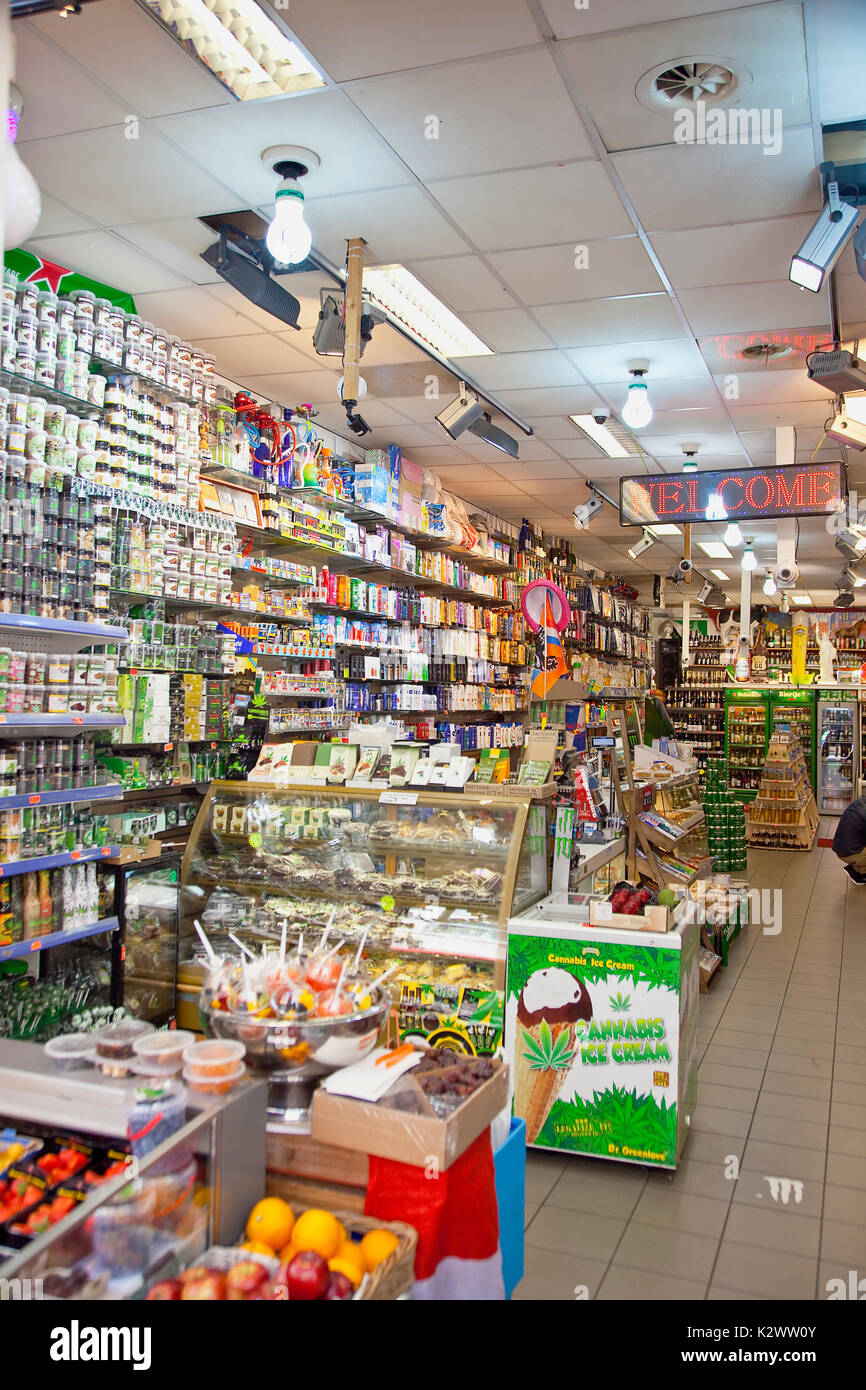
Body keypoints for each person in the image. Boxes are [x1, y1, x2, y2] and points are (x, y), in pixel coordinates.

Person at [832, 797, 866, 883]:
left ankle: (860, 874)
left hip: (841, 848)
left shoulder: (860, 802)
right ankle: (855, 869)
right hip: (850, 852)